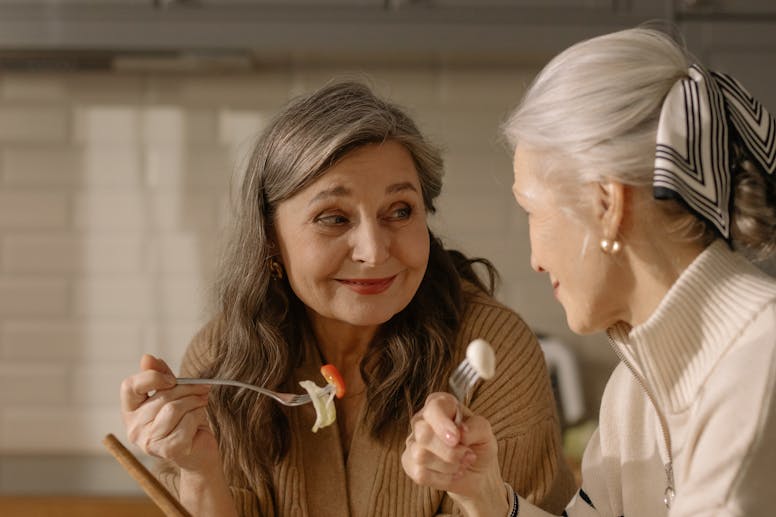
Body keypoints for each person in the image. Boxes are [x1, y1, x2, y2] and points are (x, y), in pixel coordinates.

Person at [119, 81, 576, 516]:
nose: (374, 252)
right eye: (334, 218)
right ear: (270, 238)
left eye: (400, 211)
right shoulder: (223, 360)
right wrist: (199, 470)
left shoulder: (492, 352)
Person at [401, 27, 776, 517]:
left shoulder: (758, 371)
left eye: (533, 211)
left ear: (607, 204)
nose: (535, 259)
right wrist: (485, 493)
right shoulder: (633, 390)